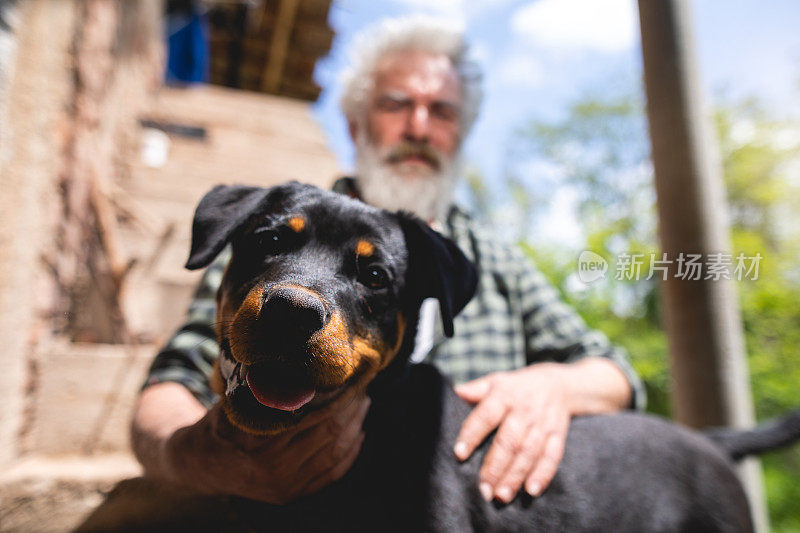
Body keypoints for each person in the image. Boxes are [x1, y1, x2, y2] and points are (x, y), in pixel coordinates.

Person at [132, 16, 645, 508]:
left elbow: (614, 373)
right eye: (397, 104)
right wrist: (197, 459)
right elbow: (174, 378)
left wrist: (550, 386)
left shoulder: (492, 258)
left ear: (459, 135)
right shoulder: (273, 230)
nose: (419, 126)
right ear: (355, 125)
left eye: (442, 111)